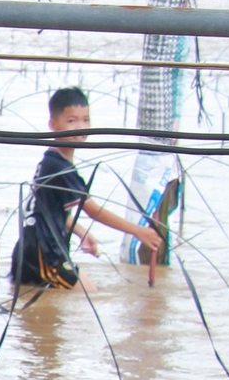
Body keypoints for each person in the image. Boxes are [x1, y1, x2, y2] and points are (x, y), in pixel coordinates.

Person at [12, 86, 163, 288]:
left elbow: (49, 211)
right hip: (44, 254)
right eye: (72, 121)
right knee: (89, 293)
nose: (80, 127)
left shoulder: (51, 159)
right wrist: (138, 231)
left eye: (86, 119)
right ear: (53, 124)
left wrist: (81, 232)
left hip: (30, 249)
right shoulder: (61, 168)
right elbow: (94, 211)